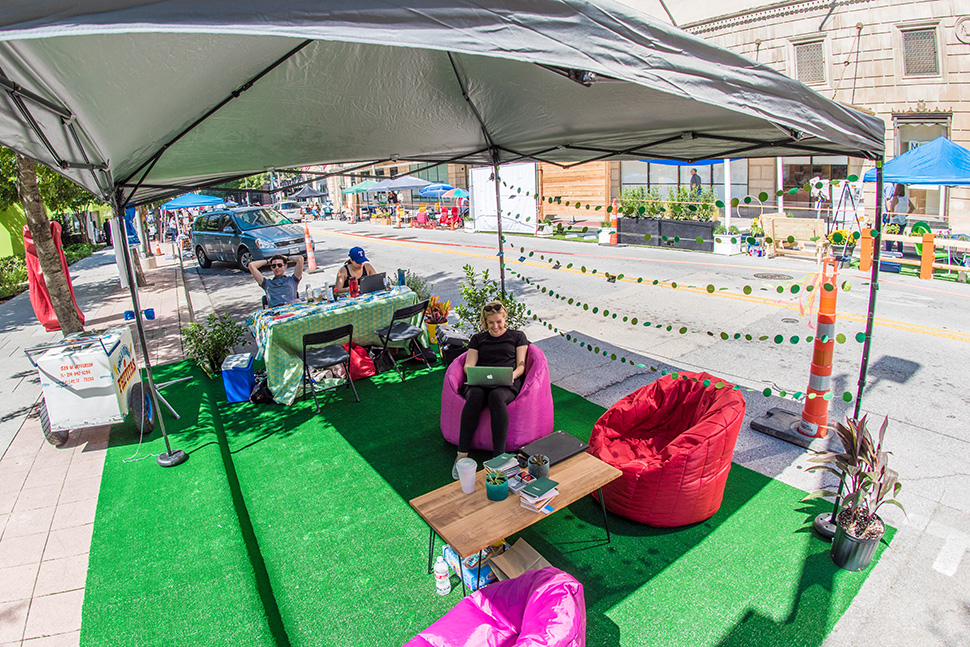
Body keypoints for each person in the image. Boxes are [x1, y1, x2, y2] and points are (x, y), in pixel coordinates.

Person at [451, 301, 530, 479]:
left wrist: (512, 376)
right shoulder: (478, 339)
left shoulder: (517, 336)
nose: (495, 326)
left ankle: (498, 457)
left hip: (507, 382)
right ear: (485, 322)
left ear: (505, 318)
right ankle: (462, 454)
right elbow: (468, 365)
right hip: (481, 382)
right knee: (475, 395)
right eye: (491, 323)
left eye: (499, 322)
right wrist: (473, 374)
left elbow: (521, 365)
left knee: (496, 397)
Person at [888, 184, 914, 253]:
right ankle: (900, 251)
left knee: (890, 237)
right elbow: (912, 207)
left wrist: (892, 214)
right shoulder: (906, 199)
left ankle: (888, 251)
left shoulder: (896, 198)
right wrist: (906, 214)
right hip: (903, 220)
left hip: (895, 220)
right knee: (900, 238)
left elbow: (892, 207)